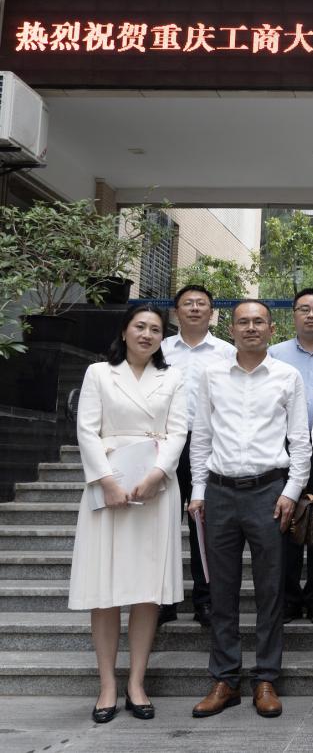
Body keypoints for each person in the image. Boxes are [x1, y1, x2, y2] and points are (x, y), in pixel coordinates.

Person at [189, 300, 311, 719]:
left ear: (272, 328)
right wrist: (199, 490)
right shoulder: (211, 375)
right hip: (220, 492)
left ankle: (266, 679)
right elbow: (201, 437)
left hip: (269, 492)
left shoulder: (287, 376)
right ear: (232, 329)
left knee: (270, 590)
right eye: (243, 321)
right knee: (221, 590)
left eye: (259, 321)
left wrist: (291, 492)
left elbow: (300, 441)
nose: (251, 327)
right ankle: (225, 679)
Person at [69, 304, 187, 722]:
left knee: (145, 589)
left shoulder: (173, 377)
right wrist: (106, 479)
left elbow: (178, 431)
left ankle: (137, 681)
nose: (147, 334)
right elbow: (87, 429)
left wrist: (157, 474)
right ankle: (107, 685)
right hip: (108, 482)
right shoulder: (99, 373)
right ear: (124, 331)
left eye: (155, 329)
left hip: (154, 487)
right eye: (140, 326)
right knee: (104, 589)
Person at [158, 285, 235, 629]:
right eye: (187, 303)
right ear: (176, 312)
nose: (193, 308)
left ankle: (205, 600)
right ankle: (163, 599)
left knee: (203, 523)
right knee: (162, 522)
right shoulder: (160, 349)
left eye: (201, 303)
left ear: (211, 312)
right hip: (163, 444)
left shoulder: (227, 352)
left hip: (209, 443)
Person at [268, 287, 313, 625]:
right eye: (304, 309)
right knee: (286, 520)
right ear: (293, 314)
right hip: (284, 448)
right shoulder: (274, 354)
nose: (311, 315)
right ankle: (288, 597)